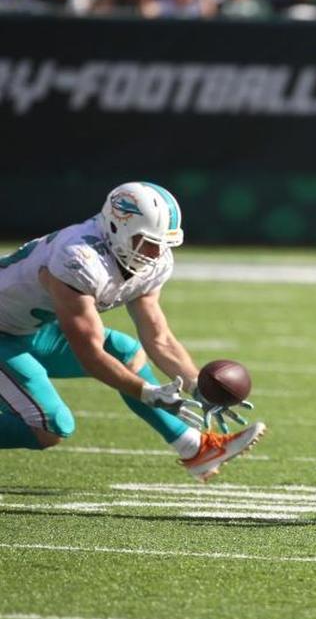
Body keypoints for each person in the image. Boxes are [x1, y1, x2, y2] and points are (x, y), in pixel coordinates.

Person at [0, 182, 266, 482]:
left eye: (163, 244)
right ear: (116, 226)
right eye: (147, 242)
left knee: (125, 352)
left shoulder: (152, 258)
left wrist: (197, 386)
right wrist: (147, 392)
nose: (155, 253)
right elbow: (89, 354)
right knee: (49, 427)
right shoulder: (79, 258)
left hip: (24, 328)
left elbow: (158, 337)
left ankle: (197, 448)